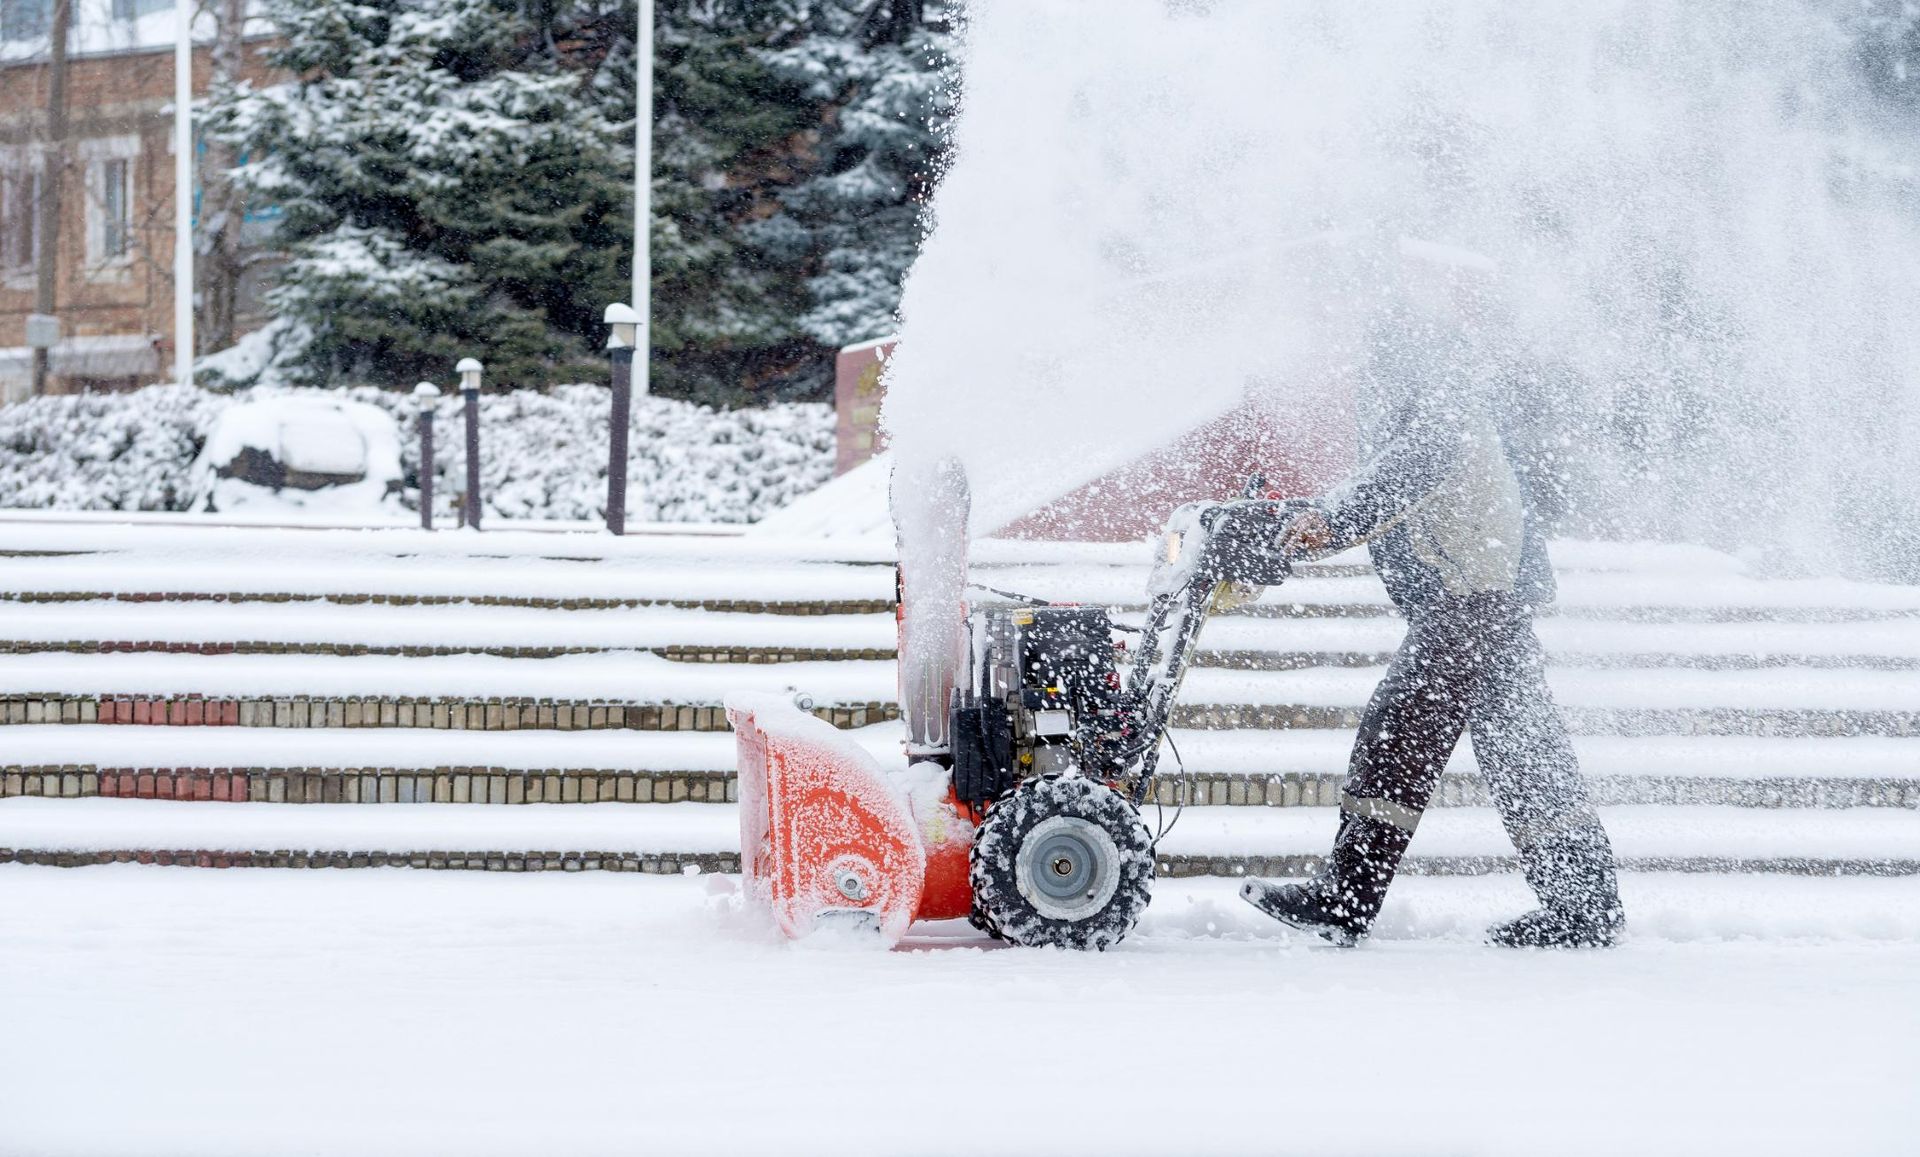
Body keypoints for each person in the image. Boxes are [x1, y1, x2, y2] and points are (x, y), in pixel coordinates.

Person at [1239, 304, 1625, 948]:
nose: (1369, 389)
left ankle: (1346, 897)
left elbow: (1389, 485)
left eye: (1378, 375)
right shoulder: (1441, 418)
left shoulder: (1443, 421)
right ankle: (1584, 903)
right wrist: (1297, 520)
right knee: (1523, 754)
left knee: (1398, 737)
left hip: (1470, 610)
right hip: (1484, 609)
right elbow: (1383, 485)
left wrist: (1322, 526)